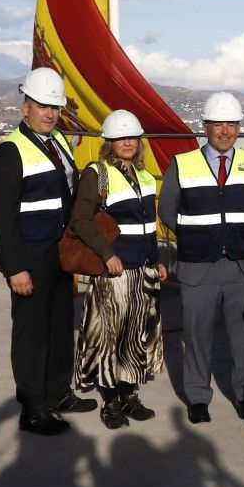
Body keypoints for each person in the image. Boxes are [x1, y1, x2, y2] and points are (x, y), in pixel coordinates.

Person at [0, 66, 94, 437]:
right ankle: (33, 408)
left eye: (54, 107)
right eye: (42, 106)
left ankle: (58, 392)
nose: (50, 113)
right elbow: (3, 216)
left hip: (59, 254)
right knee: (32, 334)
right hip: (29, 258)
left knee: (60, 325)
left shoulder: (60, 142)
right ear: (25, 107)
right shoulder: (9, 152)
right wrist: (15, 267)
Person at [159, 91, 244, 424]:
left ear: (238, 128)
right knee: (197, 334)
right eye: (218, 124)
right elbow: (167, 210)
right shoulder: (183, 163)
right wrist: (197, 236)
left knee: (243, 336)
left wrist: (234, 235)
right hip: (197, 265)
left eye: (231, 124)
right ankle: (198, 397)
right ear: (204, 126)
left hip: (242, 265)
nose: (225, 131)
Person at [68, 108, 167, 428]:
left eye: (132, 138)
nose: (127, 143)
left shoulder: (147, 177)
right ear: (109, 141)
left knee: (135, 335)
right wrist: (107, 254)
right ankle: (110, 402)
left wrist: (156, 260)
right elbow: (80, 221)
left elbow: (149, 226)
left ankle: (129, 394)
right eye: (120, 138)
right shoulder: (97, 174)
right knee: (109, 338)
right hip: (114, 272)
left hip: (142, 271)